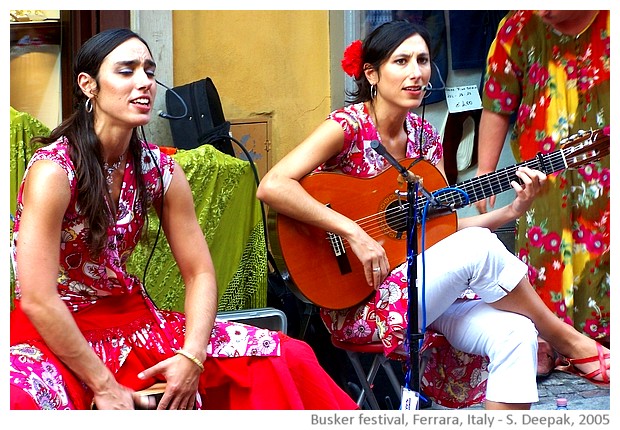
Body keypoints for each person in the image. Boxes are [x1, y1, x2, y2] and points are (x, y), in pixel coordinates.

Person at [256, 20, 610, 410]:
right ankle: (566, 339)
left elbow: (443, 230)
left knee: (516, 333)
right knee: (478, 245)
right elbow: (272, 185)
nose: (416, 72)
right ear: (372, 74)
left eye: (423, 60)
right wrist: (353, 232)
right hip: (359, 301)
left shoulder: (424, 134)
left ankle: (547, 338)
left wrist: (513, 209)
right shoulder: (347, 126)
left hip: (423, 284)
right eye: (401, 61)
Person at [9, 28, 358, 411]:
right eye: (126, 71)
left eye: (149, 70)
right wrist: (105, 387)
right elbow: (39, 299)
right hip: (55, 329)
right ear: (89, 86)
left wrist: (192, 357)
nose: (144, 82)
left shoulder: (159, 169)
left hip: (134, 318)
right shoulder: (55, 171)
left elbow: (200, 273)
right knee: (18, 397)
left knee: (288, 358)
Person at [474, 10, 610, 375]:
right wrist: (485, 170)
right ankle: (546, 342)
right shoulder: (518, 26)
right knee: (545, 259)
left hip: (608, 178)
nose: (543, 10)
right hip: (542, 182)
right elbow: (498, 103)